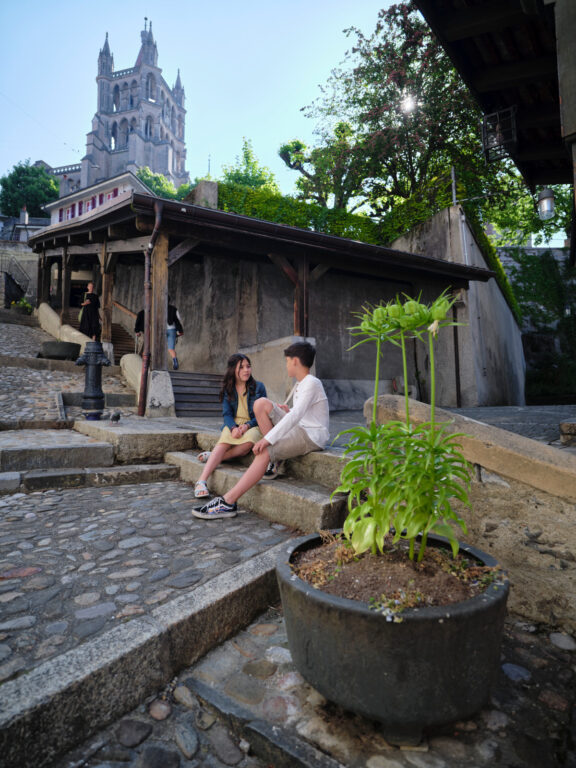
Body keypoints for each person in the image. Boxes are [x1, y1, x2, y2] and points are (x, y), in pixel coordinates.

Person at [193, 341, 329, 520]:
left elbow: (296, 417)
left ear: (295, 361)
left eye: (287, 361)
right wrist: (285, 412)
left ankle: (228, 502)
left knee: (264, 451)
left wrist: (267, 440)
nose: (286, 365)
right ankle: (274, 458)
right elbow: (298, 414)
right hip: (302, 427)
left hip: (312, 435)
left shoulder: (311, 382)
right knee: (261, 404)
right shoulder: (301, 384)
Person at [193, 353, 267, 499]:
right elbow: (227, 414)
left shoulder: (258, 387)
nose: (246, 370)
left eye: (248, 366)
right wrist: (233, 428)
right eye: (242, 367)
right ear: (233, 370)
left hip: (253, 425)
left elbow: (262, 415)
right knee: (223, 441)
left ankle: (216, 457)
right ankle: (201, 481)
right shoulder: (228, 388)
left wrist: (246, 426)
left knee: (249, 442)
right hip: (233, 423)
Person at [167, 299, 184, 369]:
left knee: (158, 347)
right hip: (172, 329)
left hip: (160, 330)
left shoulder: (157, 308)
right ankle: (175, 361)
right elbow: (178, 319)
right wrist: (180, 330)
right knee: (171, 348)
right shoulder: (174, 309)